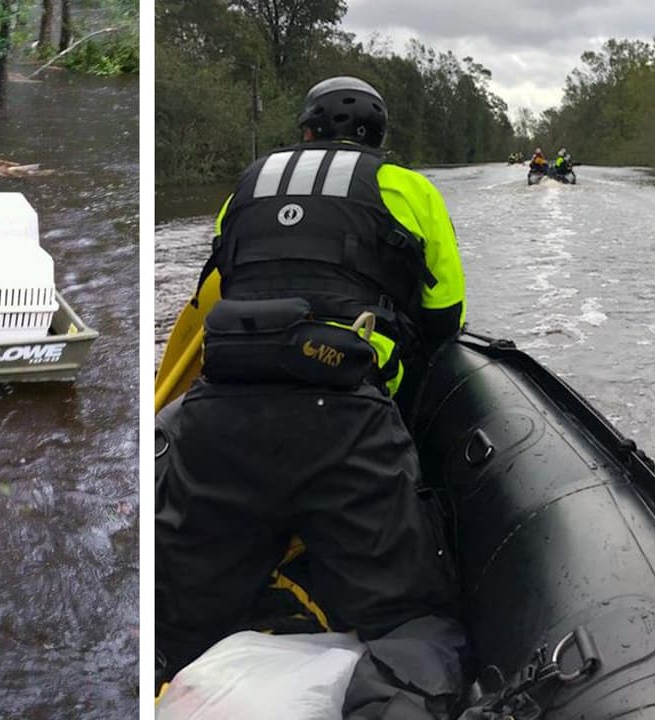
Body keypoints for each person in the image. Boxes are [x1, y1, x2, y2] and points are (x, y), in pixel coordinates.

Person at [156, 76, 468, 717]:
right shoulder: (409, 188)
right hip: (344, 418)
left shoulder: (245, 187)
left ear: (304, 131)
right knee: (414, 620)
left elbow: (217, 291)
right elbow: (446, 317)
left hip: (220, 413)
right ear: (379, 139)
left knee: (183, 628)